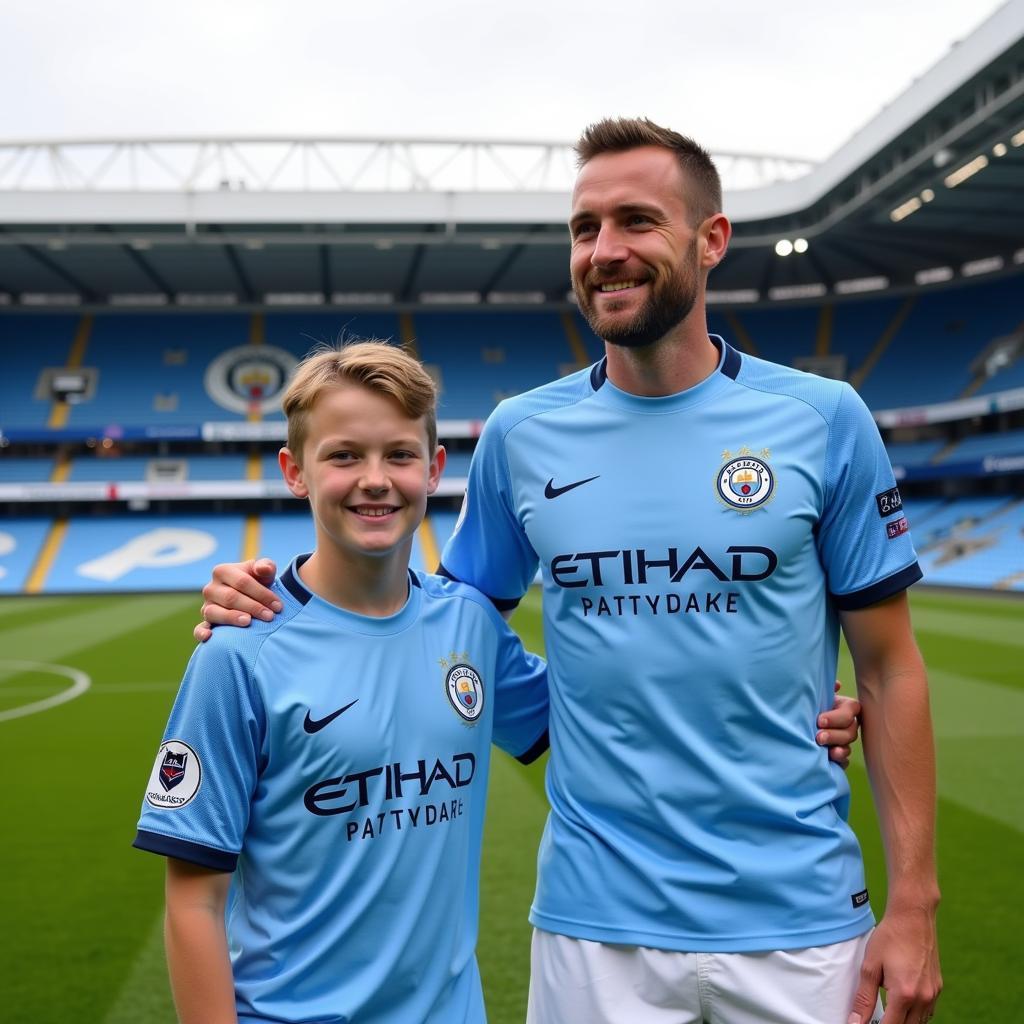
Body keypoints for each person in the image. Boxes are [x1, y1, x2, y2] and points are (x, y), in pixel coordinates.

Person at [196, 117, 941, 1024]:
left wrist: (914, 905)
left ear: (711, 241)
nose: (605, 251)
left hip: (801, 920)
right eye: (585, 228)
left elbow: (891, 666)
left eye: (637, 221)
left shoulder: (823, 418)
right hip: (595, 932)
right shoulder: (521, 432)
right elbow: (440, 621)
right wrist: (278, 610)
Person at [134, 342, 549, 1024]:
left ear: (435, 467)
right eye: (345, 455)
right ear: (296, 472)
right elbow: (193, 900)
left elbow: (583, 715)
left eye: (399, 454)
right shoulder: (238, 652)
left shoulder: (470, 624)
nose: (376, 479)